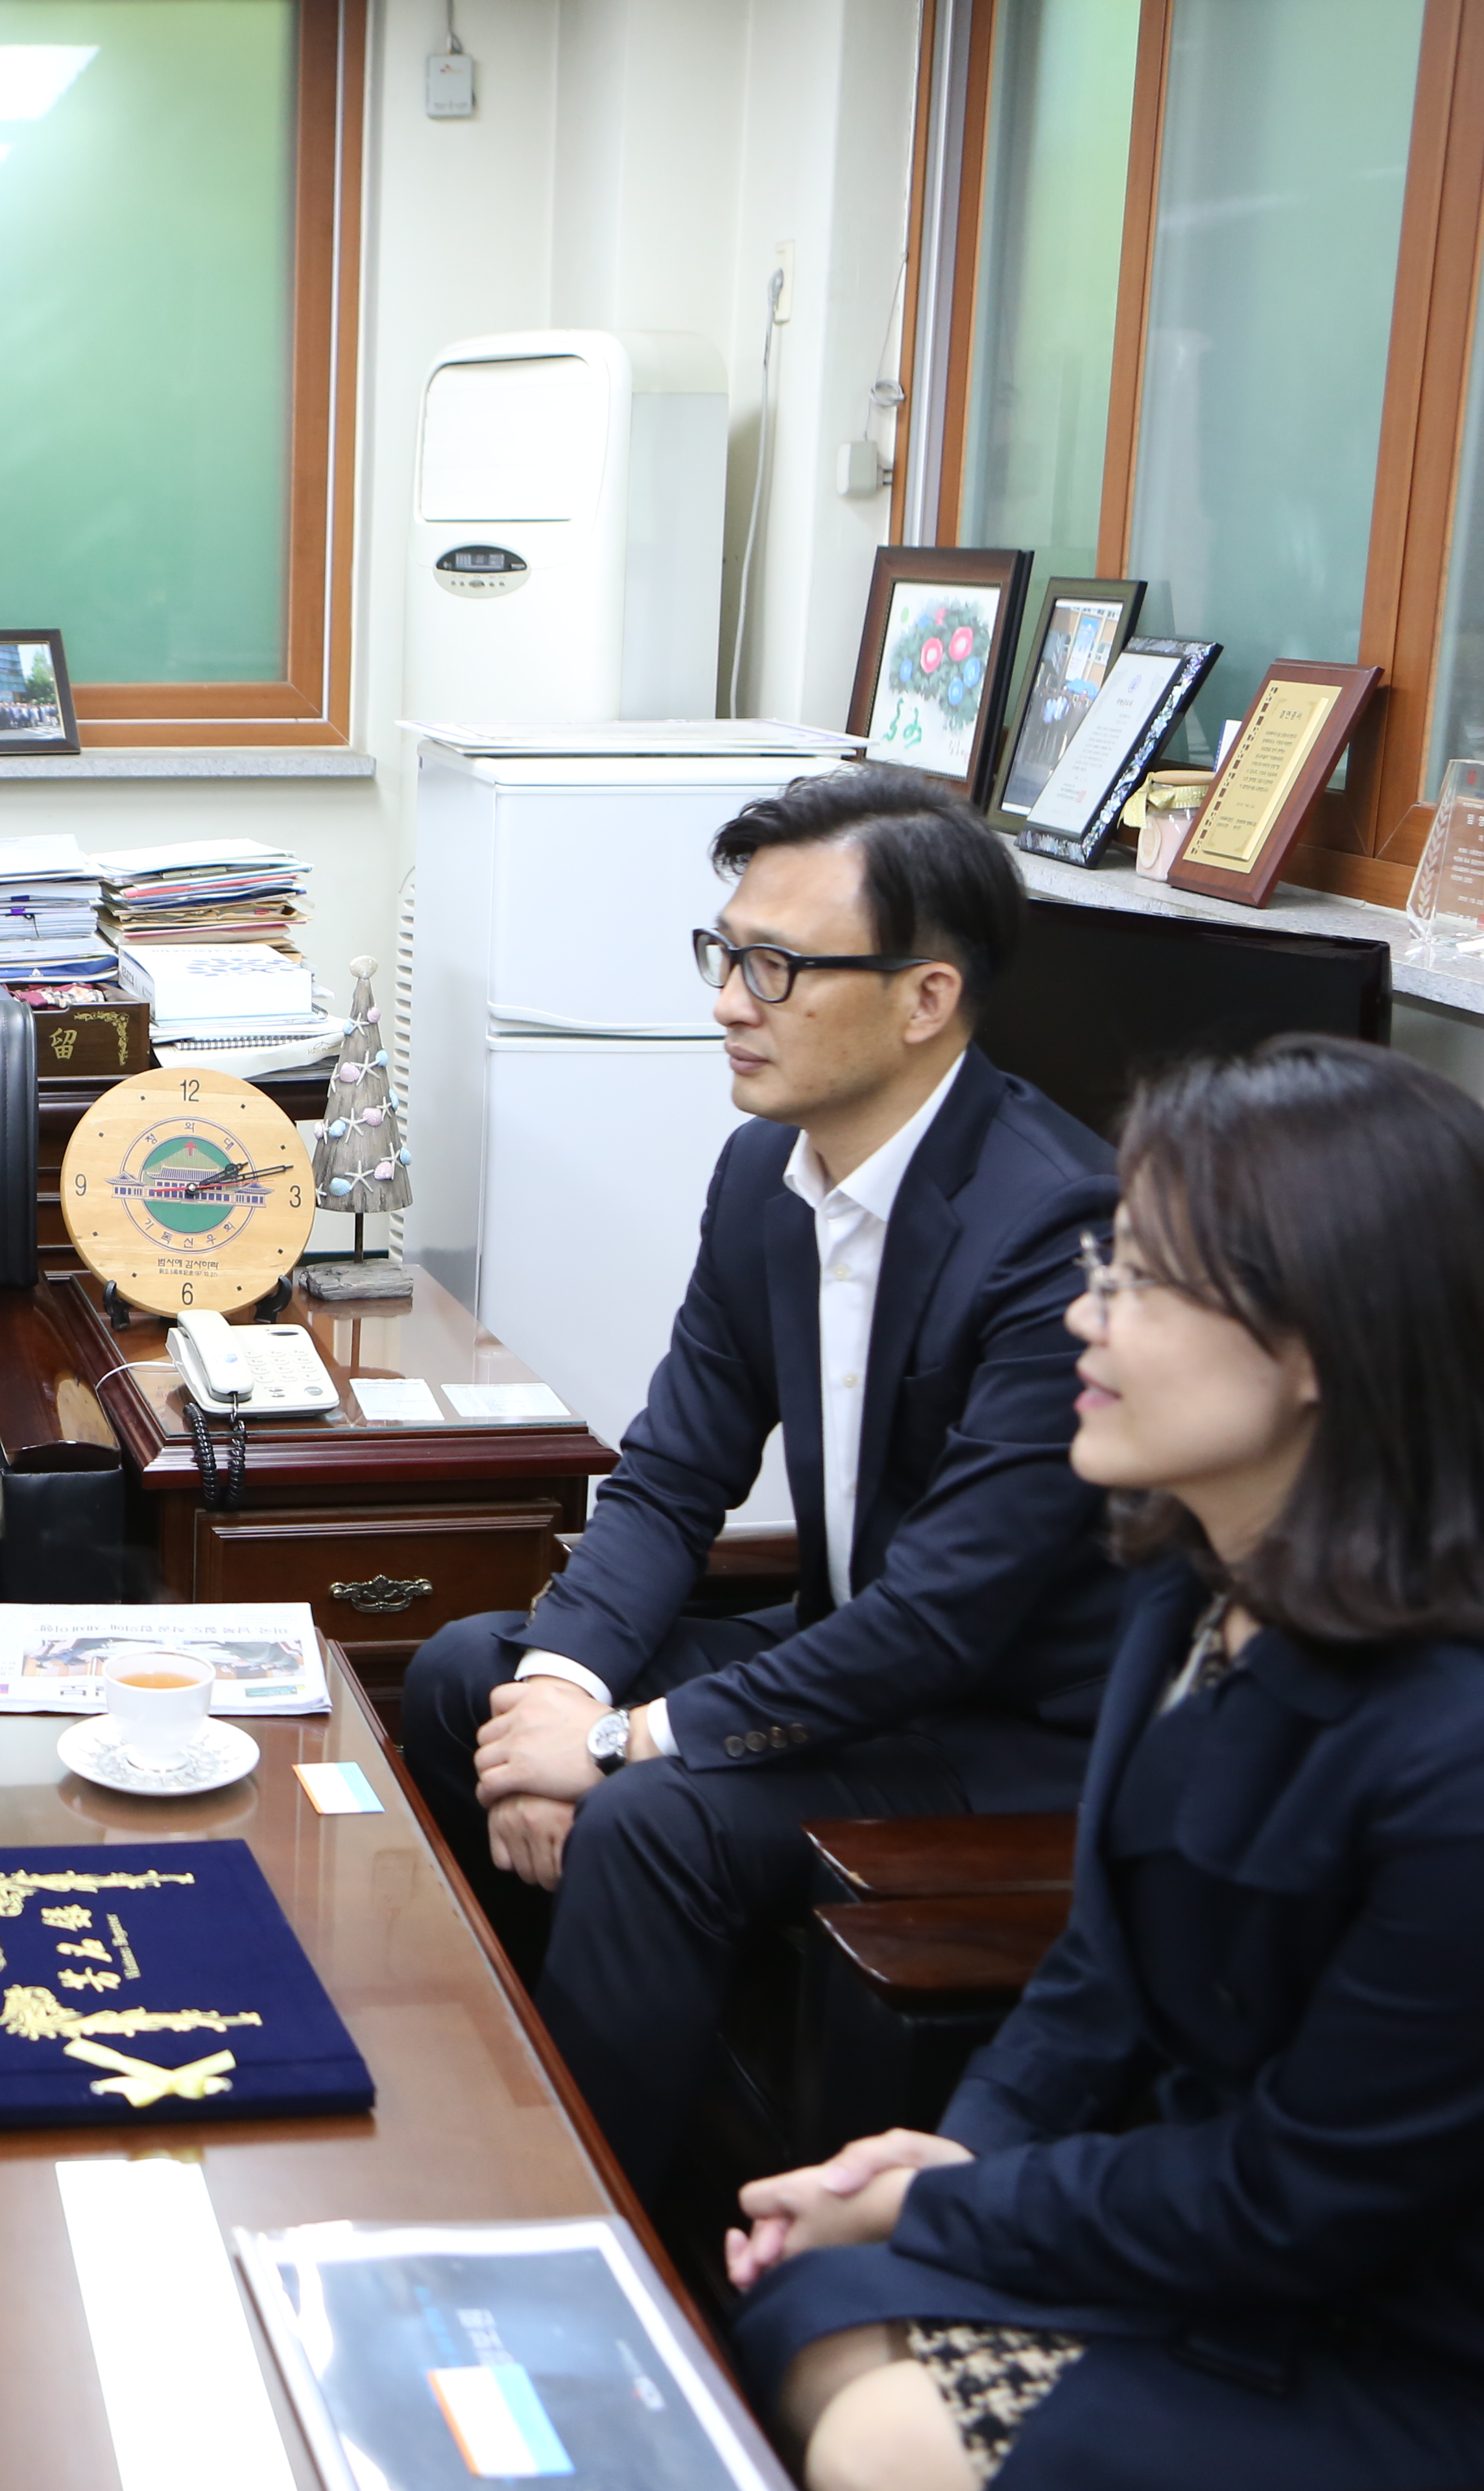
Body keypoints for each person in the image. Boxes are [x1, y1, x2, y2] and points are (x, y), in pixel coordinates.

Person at [728, 1036, 1484, 2490]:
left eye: (1140, 1281)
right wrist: (957, 2161)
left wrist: (944, 2216)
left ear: (1320, 1345)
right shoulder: (1193, 1575)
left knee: (884, 2424)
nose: (1080, 1315)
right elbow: (1097, 1972)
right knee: (811, 2312)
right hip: (1224, 2235)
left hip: (1453, 2345)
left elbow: (1310, 2198)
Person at [396, 769, 1127, 2198]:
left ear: (924, 999)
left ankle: (618, 2229)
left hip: (1007, 1727)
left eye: (778, 967)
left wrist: (618, 1747)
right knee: (466, 1672)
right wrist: (559, 1699)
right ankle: (530, 2095)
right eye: (727, 953)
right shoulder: (761, 1177)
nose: (732, 999)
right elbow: (672, 1479)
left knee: (659, 1816)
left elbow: (943, 1622)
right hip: (848, 1661)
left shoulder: (1054, 1224)